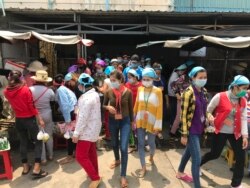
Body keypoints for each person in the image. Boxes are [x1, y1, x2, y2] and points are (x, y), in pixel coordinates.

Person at [201, 75, 249, 188]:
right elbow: (208, 110)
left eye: (247, 88)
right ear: (235, 87)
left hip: (236, 133)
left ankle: (236, 183)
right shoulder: (220, 96)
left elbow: (243, 118)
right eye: (244, 88)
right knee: (214, 154)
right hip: (221, 130)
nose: (246, 91)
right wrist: (209, 117)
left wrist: (245, 136)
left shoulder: (243, 100)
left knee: (241, 157)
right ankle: (197, 165)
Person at [4, 70, 48, 178]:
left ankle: (25, 167)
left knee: (23, 142)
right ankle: (37, 169)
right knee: (38, 141)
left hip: (19, 120)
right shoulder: (25, 90)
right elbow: (31, 106)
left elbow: (12, 105)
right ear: (21, 78)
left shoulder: (6, 92)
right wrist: (40, 118)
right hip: (29, 119)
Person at [176, 66, 208, 188]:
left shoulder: (204, 91)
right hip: (191, 130)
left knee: (189, 152)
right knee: (197, 159)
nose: (203, 79)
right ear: (193, 78)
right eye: (200, 77)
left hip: (200, 129)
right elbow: (183, 115)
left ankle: (180, 172)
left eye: (205, 77)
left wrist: (209, 117)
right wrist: (184, 134)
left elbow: (205, 110)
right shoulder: (188, 93)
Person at [103, 70, 133, 188]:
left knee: (124, 147)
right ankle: (117, 159)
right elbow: (103, 105)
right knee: (114, 143)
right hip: (112, 121)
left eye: (114, 80)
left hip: (125, 121)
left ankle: (123, 175)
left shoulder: (128, 92)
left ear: (120, 80)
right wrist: (107, 107)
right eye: (111, 81)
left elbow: (130, 108)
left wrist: (132, 122)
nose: (112, 83)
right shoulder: (109, 91)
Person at [72, 73, 102, 188]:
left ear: (82, 85)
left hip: (86, 130)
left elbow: (83, 117)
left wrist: (76, 133)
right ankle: (95, 173)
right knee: (91, 153)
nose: (78, 87)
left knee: (80, 156)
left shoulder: (87, 98)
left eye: (79, 85)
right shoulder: (94, 94)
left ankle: (95, 177)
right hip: (92, 129)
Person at [133, 68, 163, 178]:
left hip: (152, 121)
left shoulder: (158, 91)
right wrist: (133, 119)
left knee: (151, 143)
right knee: (140, 144)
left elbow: (159, 109)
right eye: (144, 79)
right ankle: (143, 167)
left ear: (153, 79)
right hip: (140, 119)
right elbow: (136, 103)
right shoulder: (140, 89)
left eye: (148, 79)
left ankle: (151, 156)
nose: (145, 81)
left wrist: (158, 125)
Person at [29, 70, 55, 164]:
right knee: (49, 135)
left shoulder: (30, 90)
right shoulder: (49, 91)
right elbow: (53, 101)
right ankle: (51, 155)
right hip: (48, 114)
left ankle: (43, 159)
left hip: (36, 116)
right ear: (45, 81)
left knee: (40, 137)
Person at [53, 74, 77, 165]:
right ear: (62, 82)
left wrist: (67, 120)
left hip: (70, 113)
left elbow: (65, 105)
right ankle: (74, 153)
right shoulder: (65, 89)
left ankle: (70, 156)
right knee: (72, 134)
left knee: (69, 135)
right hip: (74, 112)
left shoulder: (60, 90)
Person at [170, 65, 190, 137]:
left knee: (180, 117)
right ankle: (173, 132)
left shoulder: (185, 77)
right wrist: (177, 94)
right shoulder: (184, 78)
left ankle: (173, 132)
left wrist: (177, 94)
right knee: (180, 117)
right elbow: (172, 84)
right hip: (183, 99)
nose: (178, 72)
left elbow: (172, 84)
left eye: (179, 71)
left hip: (184, 99)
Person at [125, 69, 142, 152]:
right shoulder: (126, 85)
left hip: (139, 110)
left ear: (135, 77)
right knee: (130, 128)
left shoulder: (141, 86)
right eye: (127, 77)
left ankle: (140, 144)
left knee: (138, 128)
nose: (128, 79)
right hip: (129, 110)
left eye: (130, 77)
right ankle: (132, 145)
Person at [167, 64, 187, 129]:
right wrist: (177, 94)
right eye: (182, 71)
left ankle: (173, 126)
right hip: (173, 96)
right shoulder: (175, 77)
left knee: (175, 112)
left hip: (173, 95)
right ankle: (172, 126)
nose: (182, 73)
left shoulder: (175, 74)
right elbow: (172, 85)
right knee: (174, 112)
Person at [152, 63, 167, 139]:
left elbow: (164, 89)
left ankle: (158, 131)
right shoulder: (150, 79)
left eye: (159, 71)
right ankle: (152, 131)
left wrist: (167, 101)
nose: (158, 73)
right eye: (157, 71)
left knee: (160, 116)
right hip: (152, 100)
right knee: (152, 116)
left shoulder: (163, 78)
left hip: (161, 100)